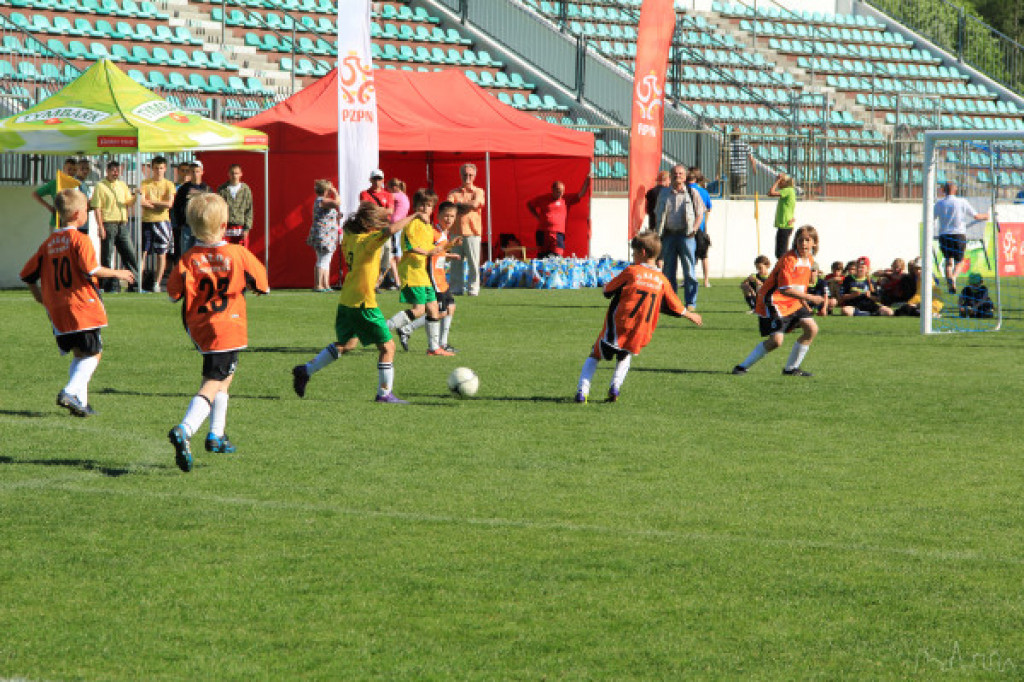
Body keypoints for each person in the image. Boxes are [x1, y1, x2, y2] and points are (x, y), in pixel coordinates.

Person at [166, 193, 270, 473]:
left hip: (200, 327)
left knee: (223, 378)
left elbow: (173, 294)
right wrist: (254, 287)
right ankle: (186, 429)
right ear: (225, 225)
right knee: (214, 381)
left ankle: (216, 435)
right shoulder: (238, 253)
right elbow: (263, 284)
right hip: (228, 325)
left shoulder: (188, 258)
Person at [291, 202, 430, 404]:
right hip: (364, 303)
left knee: (348, 344)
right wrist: (415, 215)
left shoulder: (350, 236)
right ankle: (384, 394)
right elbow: (390, 231)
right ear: (368, 224)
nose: (382, 226)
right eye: (379, 222)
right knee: (388, 347)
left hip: (347, 300)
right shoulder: (368, 241)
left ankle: (306, 370)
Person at [19, 189, 135, 417]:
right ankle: (70, 392)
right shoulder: (80, 240)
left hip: (57, 309)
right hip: (81, 305)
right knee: (94, 354)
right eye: (86, 211)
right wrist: (118, 273)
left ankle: (80, 403)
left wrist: (39, 296)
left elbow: (27, 274)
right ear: (76, 214)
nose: (87, 215)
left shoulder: (49, 243)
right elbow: (91, 269)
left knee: (80, 353)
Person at [575, 231, 703, 403]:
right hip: (641, 330)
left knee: (595, 354)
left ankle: (582, 391)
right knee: (625, 355)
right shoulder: (662, 280)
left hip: (619, 325)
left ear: (642, 252)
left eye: (634, 252)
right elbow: (674, 306)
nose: (633, 256)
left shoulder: (632, 271)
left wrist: (607, 286)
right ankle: (615, 387)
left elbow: (607, 291)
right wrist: (689, 314)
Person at [731, 225, 824, 377]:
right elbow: (784, 289)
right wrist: (811, 298)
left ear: (814, 243)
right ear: (795, 241)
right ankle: (741, 367)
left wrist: (804, 302)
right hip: (774, 301)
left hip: (794, 301)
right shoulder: (788, 260)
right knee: (776, 341)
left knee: (811, 329)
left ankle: (791, 369)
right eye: (800, 240)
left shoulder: (809, 260)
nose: (804, 243)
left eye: (807, 240)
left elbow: (800, 285)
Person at [386, 190, 464, 356]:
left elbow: (433, 249)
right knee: (419, 309)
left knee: (433, 308)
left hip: (423, 273)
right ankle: (383, 330)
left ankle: (434, 348)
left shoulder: (428, 227)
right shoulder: (412, 224)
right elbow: (410, 247)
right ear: (415, 206)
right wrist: (429, 252)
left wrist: (449, 247)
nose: (424, 208)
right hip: (412, 272)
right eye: (421, 205)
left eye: (428, 205)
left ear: (432, 208)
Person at [654, 164, 705, 310]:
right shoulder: (663, 193)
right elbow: (657, 212)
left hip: (686, 236)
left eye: (680, 173)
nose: (678, 176)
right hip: (668, 236)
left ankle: (690, 303)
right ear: (671, 176)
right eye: (675, 173)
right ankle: (671, 302)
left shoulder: (692, 192)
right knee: (668, 271)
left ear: (685, 176)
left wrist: (694, 229)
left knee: (689, 272)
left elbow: (700, 213)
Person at [90, 160, 139, 293]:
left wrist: (136, 196)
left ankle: (134, 284)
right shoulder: (100, 185)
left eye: (117, 170)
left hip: (122, 223)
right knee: (107, 256)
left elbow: (128, 202)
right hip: (108, 223)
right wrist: (100, 226)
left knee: (129, 253)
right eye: (113, 170)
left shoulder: (122, 185)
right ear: (107, 171)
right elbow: (97, 207)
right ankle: (108, 285)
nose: (116, 173)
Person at [934, 181, 989, 294]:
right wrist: (986, 216)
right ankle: (954, 277)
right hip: (958, 234)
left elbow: (932, 218)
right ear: (955, 190)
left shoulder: (939, 203)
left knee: (948, 261)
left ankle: (950, 282)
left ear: (944, 190)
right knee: (959, 261)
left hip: (944, 235)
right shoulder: (961, 202)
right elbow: (976, 216)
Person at [138, 155, 177, 293]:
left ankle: (157, 283)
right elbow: (141, 201)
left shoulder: (169, 184)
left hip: (163, 222)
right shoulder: (145, 183)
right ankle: (139, 282)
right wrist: (159, 204)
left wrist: (151, 202)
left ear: (165, 169)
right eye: (156, 168)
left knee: (161, 254)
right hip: (147, 221)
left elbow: (169, 204)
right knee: (142, 253)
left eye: (161, 168)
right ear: (152, 169)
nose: (158, 171)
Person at [527, 174, 590, 258]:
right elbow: (529, 204)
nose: (561, 193)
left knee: (557, 256)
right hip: (543, 232)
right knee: (542, 257)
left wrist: (587, 180)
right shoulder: (543, 198)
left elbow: (581, 194)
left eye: (562, 191)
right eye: (558, 191)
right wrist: (537, 217)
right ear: (553, 190)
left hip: (558, 233)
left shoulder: (565, 199)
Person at [447, 163, 486, 296]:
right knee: (455, 262)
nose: (467, 177)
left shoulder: (479, 191)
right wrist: (466, 206)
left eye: (470, 175)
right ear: (461, 175)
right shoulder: (453, 192)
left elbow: (475, 204)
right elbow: (449, 207)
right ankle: (456, 288)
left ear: (474, 176)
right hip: (456, 232)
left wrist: (459, 205)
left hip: (473, 232)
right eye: (465, 174)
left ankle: (473, 289)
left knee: (473, 263)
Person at [172, 160, 211, 257]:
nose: (195, 174)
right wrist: (180, 222)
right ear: (190, 173)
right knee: (186, 254)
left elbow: (211, 207)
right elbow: (177, 206)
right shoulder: (184, 189)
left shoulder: (207, 189)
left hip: (201, 227)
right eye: (193, 171)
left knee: (200, 254)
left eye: (197, 171)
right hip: (187, 226)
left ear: (202, 172)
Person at [307, 179, 340, 292]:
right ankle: (318, 285)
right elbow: (337, 203)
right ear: (326, 190)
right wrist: (336, 193)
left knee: (326, 259)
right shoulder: (322, 200)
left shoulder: (321, 201)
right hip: (324, 235)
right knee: (323, 259)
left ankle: (325, 284)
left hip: (327, 234)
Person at [378, 177, 408, 290]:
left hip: (394, 226)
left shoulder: (395, 195)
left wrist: (380, 189)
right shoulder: (404, 196)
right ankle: (398, 279)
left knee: (392, 255)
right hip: (400, 226)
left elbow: (384, 197)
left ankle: (398, 280)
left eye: (388, 188)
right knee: (396, 253)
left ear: (394, 187)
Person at [217, 164, 253, 248]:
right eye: (232, 173)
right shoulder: (222, 189)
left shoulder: (245, 190)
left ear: (241, 174)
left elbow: (249, 210)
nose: (234, 176)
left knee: (240, 253)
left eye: (236, 173)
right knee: (226, 253)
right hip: (226, 228)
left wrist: (247, 229)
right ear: (228, 174)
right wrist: (219, 228)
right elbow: (218, 210)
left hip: (240, 228)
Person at [689, 166, 713, 287]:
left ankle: (689, 278)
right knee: (704, 255)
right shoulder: (703, 191)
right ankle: (706, 280)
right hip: (701, 227)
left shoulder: (685, 190)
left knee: (690, 254)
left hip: (688, 227)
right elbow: (709, 209)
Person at [768, 173, 796, 258]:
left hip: (785, 224)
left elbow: (771, 193)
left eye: (780, 182)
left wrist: (777, 181)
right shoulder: (788, 191)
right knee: (779, 252)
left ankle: (784, 266)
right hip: (784, 225)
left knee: (781, 253)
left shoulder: (788, 190)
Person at [728, 132, 754, 198]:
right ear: (740, 135)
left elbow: (722, 158)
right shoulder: (745, 145)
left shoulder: (728, 145)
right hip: (742, 171)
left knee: (733, 192)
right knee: (741, 192)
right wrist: (754, 168)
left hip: (732, 171)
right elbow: (751, 158)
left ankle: (733, 202)